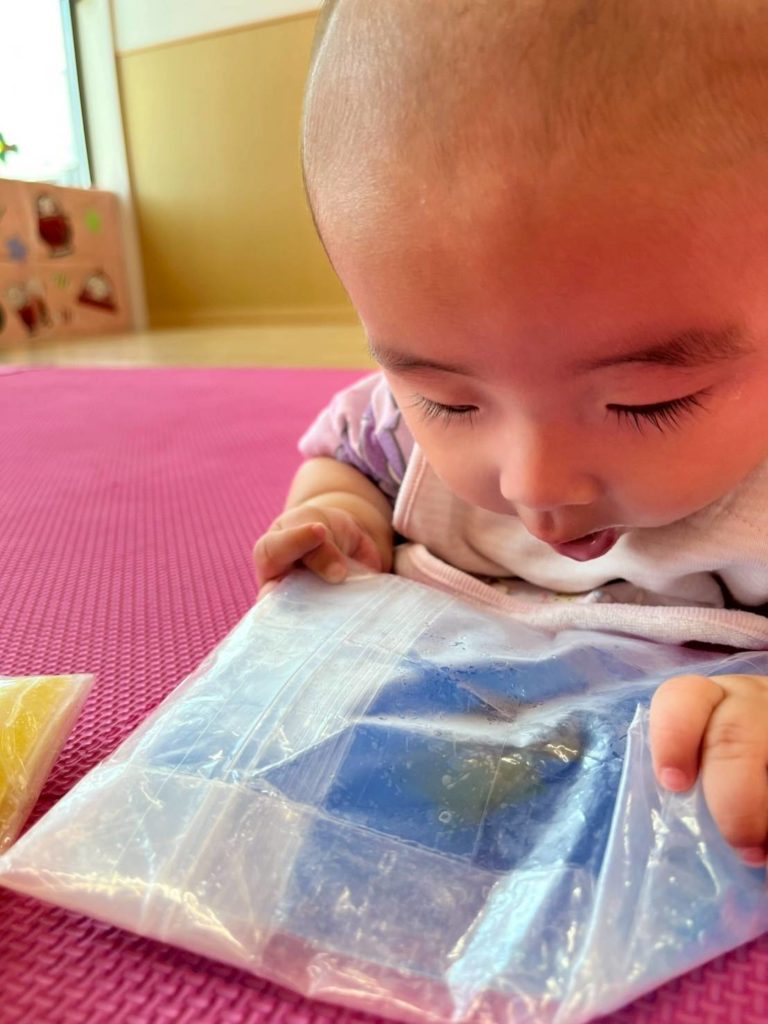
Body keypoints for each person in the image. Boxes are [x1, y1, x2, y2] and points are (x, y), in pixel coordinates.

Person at [254, 0, 768, 866]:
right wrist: (339, 515)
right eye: (450, 401)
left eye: (644, 403)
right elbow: (347, 460)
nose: (534, 484)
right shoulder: (393, 427)